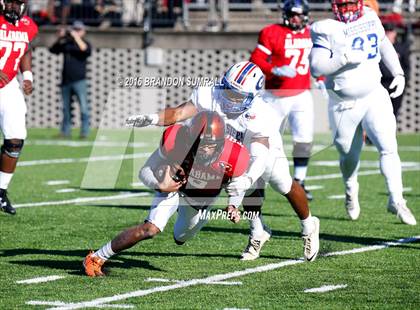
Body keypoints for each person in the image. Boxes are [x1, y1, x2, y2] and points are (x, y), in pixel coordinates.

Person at [126, 61, 320, 262]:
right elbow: (178, 113)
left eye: (238, 95)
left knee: (282, 183)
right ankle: (257, 232)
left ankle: (308, 225)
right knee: (238, 183)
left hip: (259, 148)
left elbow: (259, 156)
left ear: (253, 96)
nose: (230, 97)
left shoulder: (262, 114)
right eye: (228, 90)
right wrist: (152, 118)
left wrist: (248, 178)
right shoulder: (209, 93)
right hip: (222, 147)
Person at [83, 111, 251, 276]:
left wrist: (233, 204)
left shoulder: (235, 156)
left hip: (201, 197)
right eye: (200, 144)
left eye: (210, 145)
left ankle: (188, 215)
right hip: (174, 186)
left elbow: (237, 185)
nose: (205, 150)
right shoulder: (176, 139)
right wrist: (160, 184)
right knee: (150, 229)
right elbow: (145, 172)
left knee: (181, 237)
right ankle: (97, 257)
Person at [309, 0, 416, 225]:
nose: (347, 9)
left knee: (389, 147)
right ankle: (351, 189)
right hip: (343, 103)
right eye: (343, 5)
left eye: (350, 4)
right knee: (348, 153)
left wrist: (398, 72)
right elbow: (317, 66)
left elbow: (383, 44)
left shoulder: (369, 16)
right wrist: (343, 59)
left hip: (374, 95)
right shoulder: (324, 28)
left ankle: (397, 200)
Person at [250, 0, 315, 201]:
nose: (296, 18)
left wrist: (320, 78)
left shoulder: (312, 32)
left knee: (304, 139)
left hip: (301, 94)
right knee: (264, 139)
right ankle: (256, 179)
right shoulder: (271, 32)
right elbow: (256, 60)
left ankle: (300, 180)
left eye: (299, 14)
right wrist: (273, 69)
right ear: (286, 15)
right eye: (292, 14)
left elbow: (319, 58)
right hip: (274, 96)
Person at [0, 0, 38, 215]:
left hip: (8, 86)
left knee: (15, 140)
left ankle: (0, 191)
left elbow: (25, 50)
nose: (14, 7)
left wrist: (28, 76)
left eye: (18, 2)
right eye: (11, 2)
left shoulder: (28, 25)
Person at [49, 20, 91, 139]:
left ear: (83, 31)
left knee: (83, 108)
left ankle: (85, 132)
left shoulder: (85, 43)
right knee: (66, 108)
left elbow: (85, 49)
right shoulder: (66, 43)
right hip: (65, 81)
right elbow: (53, 50)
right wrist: (60, 38)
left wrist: (76, 37)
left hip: (79, 81)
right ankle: (65, 132)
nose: (76, 32)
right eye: (75, 30)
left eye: (79, 30)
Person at [380, 22, 411, 118]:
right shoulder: (379, 48)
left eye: (391, 31)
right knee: (380, 111)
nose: (389, 34)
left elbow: (406, 66)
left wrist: (404, 80)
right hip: (382, 83)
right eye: (387, 32)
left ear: (395, 33)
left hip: (395, 82)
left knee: (394, 111)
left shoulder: (401, 47)